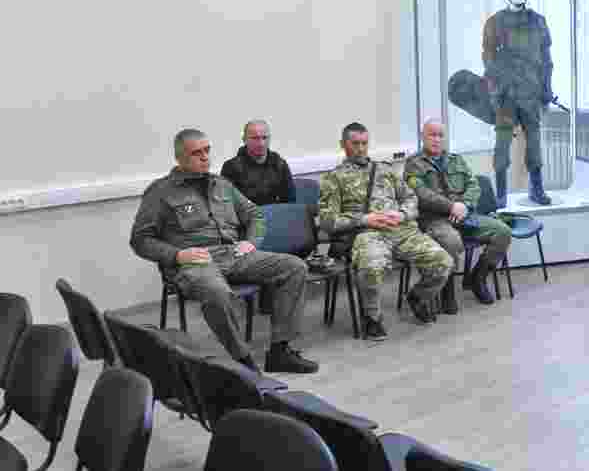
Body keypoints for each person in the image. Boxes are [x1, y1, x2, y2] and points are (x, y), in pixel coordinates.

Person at [130, 128, 318, 374]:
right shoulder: (160, 192)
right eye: (196, 153)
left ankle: (280, 351)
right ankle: (242, 361)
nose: (205, 157)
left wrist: (251, 241)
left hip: (233, 255)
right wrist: (176, 255)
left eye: (207, 151)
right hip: (194, 263)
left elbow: (254, 214)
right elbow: (140, 239)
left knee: (294, 267)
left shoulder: (221, 185)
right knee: (217, 292)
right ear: (179, 158)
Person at [318, 122, 454, 340]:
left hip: (401, 230)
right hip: (367, 233)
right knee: (371, 266)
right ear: (343, 145)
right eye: (355, 144)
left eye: (364, 143)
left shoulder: (385, 170)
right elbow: (327, 221)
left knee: (443, 263)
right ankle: (372, 316)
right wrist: (365, 218)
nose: (361, 149)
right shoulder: (334, 178)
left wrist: (402, 214)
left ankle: (418, 296)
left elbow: (411, 198)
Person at [404, 118, 513, 313]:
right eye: (432, 135)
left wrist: (464, 205)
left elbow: (473, 185)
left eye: (440, 135)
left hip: (464, 215)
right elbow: (422, 194)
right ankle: (447, 291)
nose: (436, 139)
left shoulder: (456, 160)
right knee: (452, 241)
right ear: (423, 137)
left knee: (502, 232)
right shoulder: (414, 164)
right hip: (434, 219)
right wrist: (451, 207)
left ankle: (477, 279)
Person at [482, 0, 554, 207]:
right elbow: (489, 59)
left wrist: (546, 89)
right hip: (506, 93)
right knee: (502, 144)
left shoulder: (538, 21)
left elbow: (546, 60)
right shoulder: (495, 22)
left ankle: (537, 189)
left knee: (534, 143)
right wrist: (496, 89)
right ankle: (500, 193)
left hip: (531, 92)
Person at [220, 119, 296, 206]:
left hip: (274, 216)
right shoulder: (230, 167)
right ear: (244, 140)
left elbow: (290, 202)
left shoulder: (279, 163)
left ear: (270, 138)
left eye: (264, 138)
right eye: (255, 138)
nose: (261, 144)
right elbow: (227, 206)